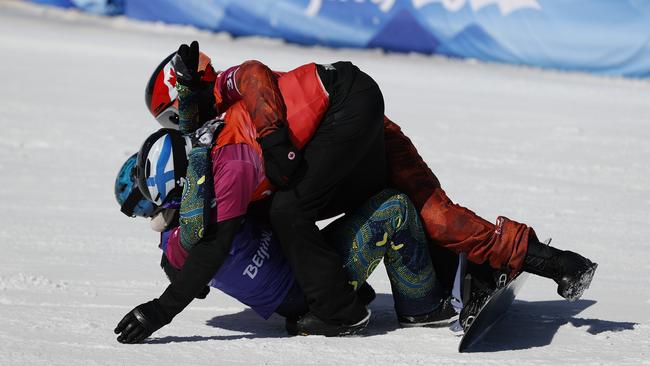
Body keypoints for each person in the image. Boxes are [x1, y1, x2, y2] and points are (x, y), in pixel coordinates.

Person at [115, 41, 596, 340]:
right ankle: (557, 264)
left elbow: (256, 72)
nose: (177, 131)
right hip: (353, 126)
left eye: (171, 121)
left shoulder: (228, 106)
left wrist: (274, 140)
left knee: (289, 207)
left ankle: (340, 312)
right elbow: (214, 236)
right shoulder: (217, 142)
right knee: (433, 214)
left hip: (347, 108)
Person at [113, 143, 456, 344]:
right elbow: (197, 203)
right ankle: (422, 308)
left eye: (142, 205)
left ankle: (364, 291)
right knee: (393, 207)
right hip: (310, 288)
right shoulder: (194, 225)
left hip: (303, 272)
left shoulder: (176, 243)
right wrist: (200, 145)